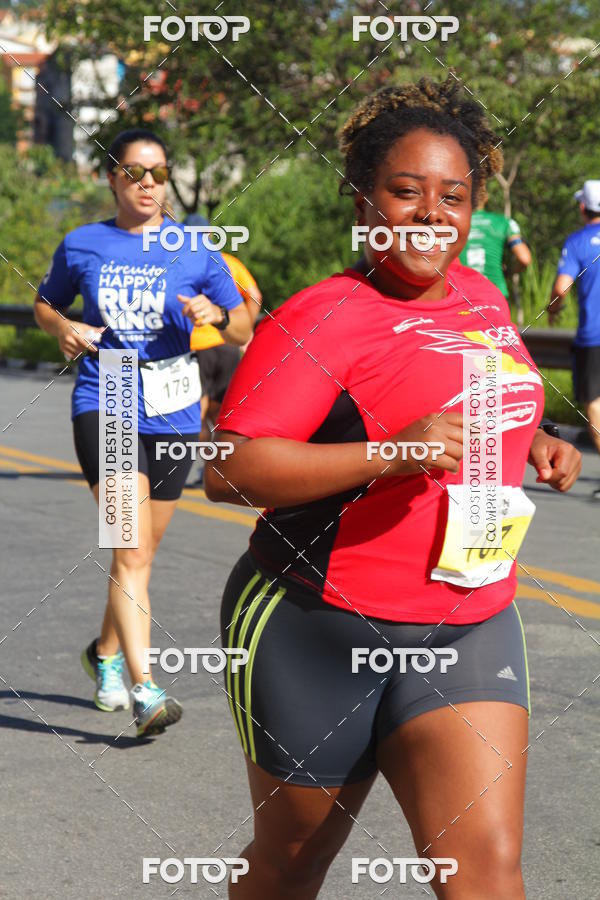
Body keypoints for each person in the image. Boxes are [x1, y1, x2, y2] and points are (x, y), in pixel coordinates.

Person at [204, 77, 581, 898]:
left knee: (485, 871)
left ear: (474, 207)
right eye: (404, 192)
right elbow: (228, 469)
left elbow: (483, 403)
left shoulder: (483, 302)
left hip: (467, 620)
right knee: (289, 867)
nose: (428, 213)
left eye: (452, 195)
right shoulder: (322, 316)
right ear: (363, 198)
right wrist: (389, 454)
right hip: (314, 626)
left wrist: (538, 442)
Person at [34, 128, 252, 737]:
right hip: (107, 395)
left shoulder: (195, 248)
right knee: (128, 550)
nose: (149, 183)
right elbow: (46, 303)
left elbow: (243, 326)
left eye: (158, 172)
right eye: (135, 172)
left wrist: (218, 315)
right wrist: (62, 328)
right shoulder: (83, 244)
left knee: (141, 556)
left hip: (175, 405)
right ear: (112, 177)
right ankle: (145, 687)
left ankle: (104, 653)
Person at [184, 214, 263, 484]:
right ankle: (224, 470)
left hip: (199, 348)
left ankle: (205, 471)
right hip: (228, 346)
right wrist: (245, 329)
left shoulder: (184, 262)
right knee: (221, 416)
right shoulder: (227, 261)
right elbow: (254, 295)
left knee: (197, 413)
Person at [549, 179, 600, 495]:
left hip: (593, 339)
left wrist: (553, 309)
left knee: (594, 404)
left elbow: (560, 288)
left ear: (583, 208)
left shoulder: (579, 241)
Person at [459, 201, 531, 298]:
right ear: (485, 197)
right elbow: (524, 258)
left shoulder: (454, 223)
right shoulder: (504, 221)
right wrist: (509, 272)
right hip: (496, 295)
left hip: (463, 296)